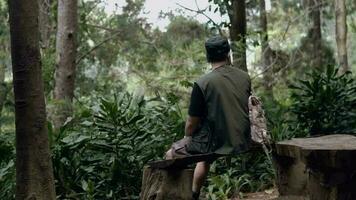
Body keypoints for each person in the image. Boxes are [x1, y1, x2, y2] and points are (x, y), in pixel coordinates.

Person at [165, 36, 252, 200]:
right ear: (228, 54)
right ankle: (195, 193)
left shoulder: (203, 83)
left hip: (217, 142)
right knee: (204, 159)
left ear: (208, 56)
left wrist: (187, 137)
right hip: (244, 138)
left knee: (171, 155)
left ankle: (182, 195)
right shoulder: (244, 76)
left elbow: (191, 122)